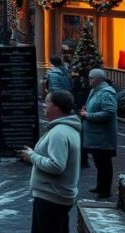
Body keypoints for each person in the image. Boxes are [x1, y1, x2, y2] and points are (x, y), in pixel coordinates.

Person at [19, 89, 81, 233]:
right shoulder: (69, 129)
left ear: (57, 107)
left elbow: (56, 165)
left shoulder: (59, 133)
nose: (43, 105)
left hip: (51, 198)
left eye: (47, 102)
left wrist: (32, 156)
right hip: (57, 197)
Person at [80, 68, 118, 198]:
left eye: (91, 78)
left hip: (103, 136)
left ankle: (105, 189)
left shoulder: (106, 93)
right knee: (99, 162)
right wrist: (86, 109)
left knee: (104, 163)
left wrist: (88, 115)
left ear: (98, 79)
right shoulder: (95, 91)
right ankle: (100, 185)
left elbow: (108, 113)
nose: (89, 80)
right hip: (96, 135)